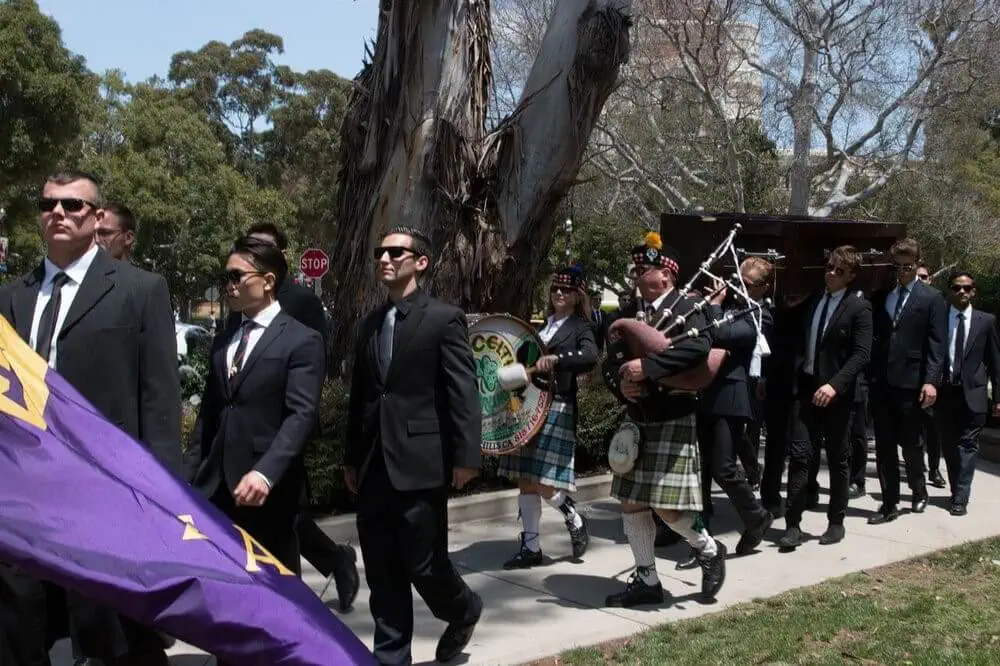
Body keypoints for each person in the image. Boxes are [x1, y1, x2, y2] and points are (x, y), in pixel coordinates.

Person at [0, 170, 181, 666]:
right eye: (48, 204)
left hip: (106, 492)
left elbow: (159, 401)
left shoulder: (140, 290)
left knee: (112, 636)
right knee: (19, 629)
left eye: (73, 205)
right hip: (22, 495)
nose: (58, 213)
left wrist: (163, 500)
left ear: (97, 217)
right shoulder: (12, 296)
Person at [345, 227, 483, 665]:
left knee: (424, 566)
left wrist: (466, 457)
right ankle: (390, 658)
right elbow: (362, 398)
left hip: (421, 464)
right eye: (380, 252)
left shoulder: (444, 319)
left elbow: (462, 390)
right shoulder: (369, 324)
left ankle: (463, 609)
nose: (385, 259)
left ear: (420, 262)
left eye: (396, 252)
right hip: (372, 468)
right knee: (383, 572)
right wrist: (351, 457)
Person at [231, 222, 360, 612]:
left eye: (263, 248)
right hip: (244, 432)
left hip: (285, 424)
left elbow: (312, 365)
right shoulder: (236, 297)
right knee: (281, 512)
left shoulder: (301, 302)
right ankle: (335, 559)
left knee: (283, 509)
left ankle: (332, 563)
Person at [603, 232, 726, 609]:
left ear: (667, 275)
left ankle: (707, 548)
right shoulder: (631, 310)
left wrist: (649, 368)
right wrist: (622, 387)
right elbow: (612, 361)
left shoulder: (690, 306)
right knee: (631, 503)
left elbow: (699, 348)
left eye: (645, 269)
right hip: (638, 417)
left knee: (667, 508)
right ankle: (646, 580)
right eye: (637, 269)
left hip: (673, 414)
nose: (638, 274)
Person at [190, 236, 325, 577]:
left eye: (237, 276)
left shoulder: (301, 340)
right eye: (227, 277)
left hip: (267, 496)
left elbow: (301, 415)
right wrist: (185, 477)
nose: (229, 285)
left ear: (267, 281)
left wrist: (266, 472)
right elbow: (209, 416)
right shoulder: (223, 342)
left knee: (276, 600)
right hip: (215, 490)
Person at [498, 264, 599, 569]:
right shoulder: (542, 326)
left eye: (566, 290)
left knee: (543, 480)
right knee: (525, 479)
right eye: (555, 288)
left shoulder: (582, 327)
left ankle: (572, 514)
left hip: (558, 404)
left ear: (576, 295)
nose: (558, 293)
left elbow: (590, 356)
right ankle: (531, 548)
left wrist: (557, 359)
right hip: (528, 405)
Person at [778, 246, 872, 549]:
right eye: (829, 267)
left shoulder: (859, 308)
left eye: (839, 271)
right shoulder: (815, 300)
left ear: (852, 276)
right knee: (800, 456)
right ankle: (793, 524)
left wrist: (835, 386)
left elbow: (861, 355)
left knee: (838, 459)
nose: (831, 273)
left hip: (836, 397)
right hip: (806, 392)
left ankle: (836, 522)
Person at [684, 257, 774, 568]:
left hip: (732, 396)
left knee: (723, 466)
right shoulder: (732, 305)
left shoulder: (760, 314)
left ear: (762, 287)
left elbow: (721, 334)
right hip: (708, 391)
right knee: (703, 469)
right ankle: (704, 534)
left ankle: (758, 516)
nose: (739, 288)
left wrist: (716, 304)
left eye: (747, 284)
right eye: (737, 280)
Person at [868, 238, 947, 524]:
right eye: (897, 266)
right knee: (884, 445)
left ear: (917, 264)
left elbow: (937, 344)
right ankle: (889, 504)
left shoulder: (932, 298)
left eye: (907, 266)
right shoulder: (882, 296)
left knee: (911, 444)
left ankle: (918, 488)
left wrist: (931, 381)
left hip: (912, 384)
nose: (901, 271)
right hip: (882, 382)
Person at [936, 271, 1000, 515]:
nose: (961, 291)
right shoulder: (939, 318)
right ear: (950, 291)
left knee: (968, 444)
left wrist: (999, 398)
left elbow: (996, 362)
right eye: (956, 287)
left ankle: (961, 496)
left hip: (974, 393)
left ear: (974, 291)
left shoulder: (986, 321)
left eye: (967, 287)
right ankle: (956, 490)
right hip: (945, 393)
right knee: (950, 446)